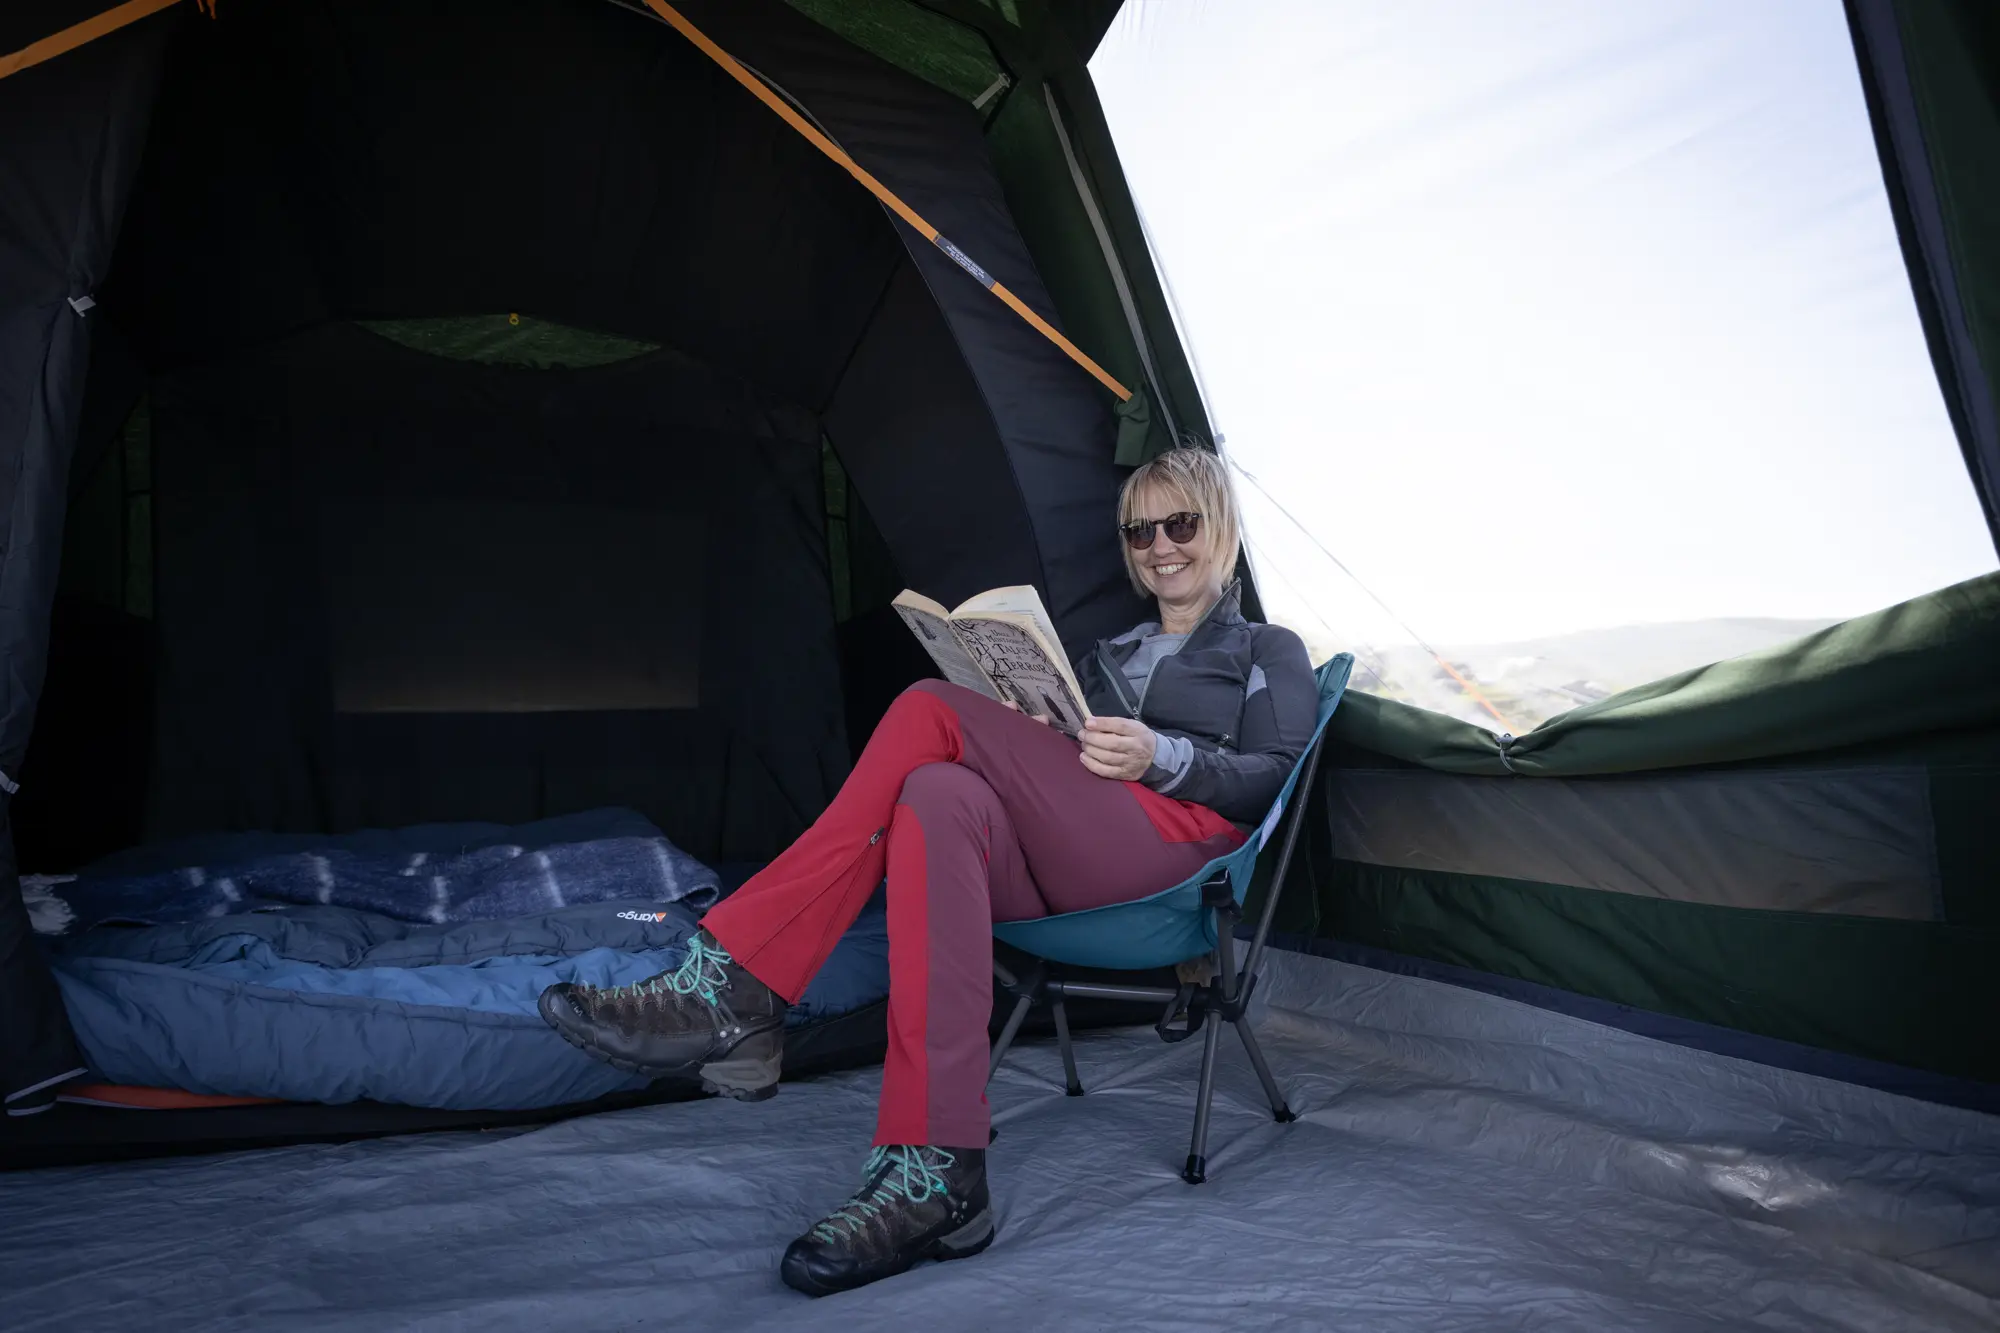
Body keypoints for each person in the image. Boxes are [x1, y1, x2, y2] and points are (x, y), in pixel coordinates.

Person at [538, 447, 1317, 1297]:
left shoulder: (1266, 648)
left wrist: (1161, 756)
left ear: (1220, 528)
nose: (1160, 546)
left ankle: (735, 984)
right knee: (937, 793)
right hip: (1074, 851)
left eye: (1180, 524)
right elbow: (1058, 774)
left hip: (1175, 856)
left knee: (927, 708)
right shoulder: (1105, 653)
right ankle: (940, 1172)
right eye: (1140, 531)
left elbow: (1273, 773)